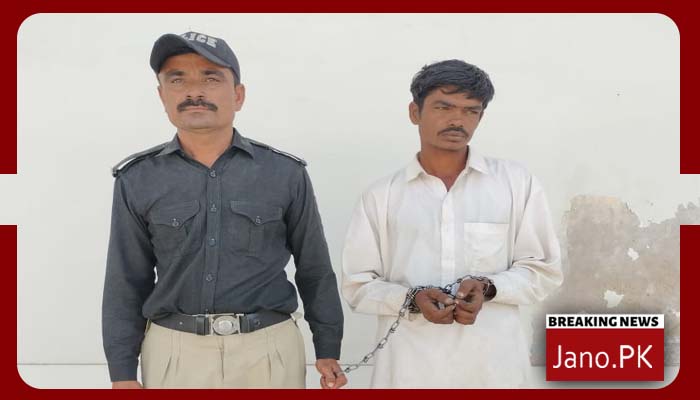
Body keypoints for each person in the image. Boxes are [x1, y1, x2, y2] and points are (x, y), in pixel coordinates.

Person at [102, 31, 347, 389]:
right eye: (177, 80)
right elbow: (126, 280)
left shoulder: (284, 173)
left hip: (269, 352)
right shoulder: (137, 178)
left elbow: (314, 268)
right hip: (175, 355)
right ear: (162, 96)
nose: (194, 91)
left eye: (211, 78)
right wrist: (122, 374)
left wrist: (328, 347)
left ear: (238, 95)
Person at [341, 59, 563, 388]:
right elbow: (357, 285)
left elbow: (544, 270)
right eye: (444, 107)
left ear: (481, 117)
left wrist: (488, 287)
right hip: (407, 372)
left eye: (471, 111)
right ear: (415, 112)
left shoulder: (515, 184)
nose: (457, 120)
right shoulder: (382, 196)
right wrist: (411, 298)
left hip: (494, 371)